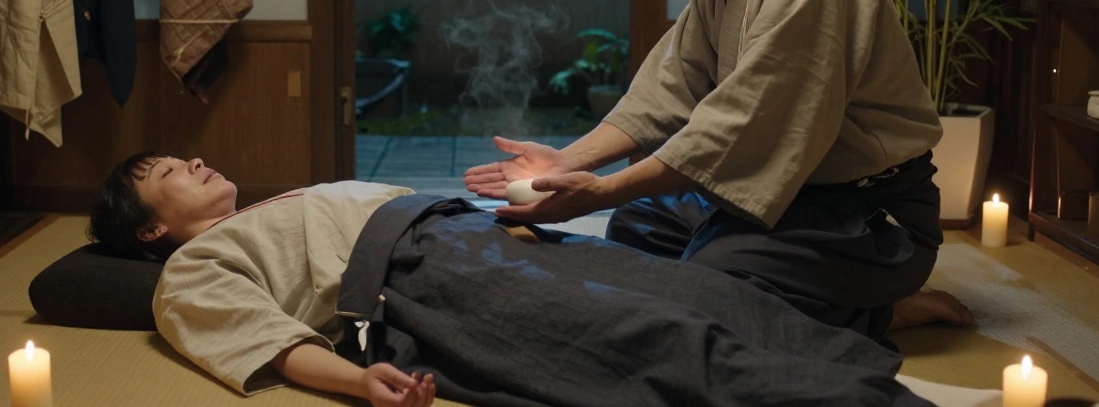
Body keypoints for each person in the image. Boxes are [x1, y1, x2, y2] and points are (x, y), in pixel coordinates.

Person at [464, 0, 974, 340]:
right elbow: (669, 89)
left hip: (870, 216)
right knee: (639, 224)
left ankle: (883, 311)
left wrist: (607, 187)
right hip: (791, 200)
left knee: (710, 282)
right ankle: (762, 282)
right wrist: (564, 163)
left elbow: (740, 125)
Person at [90, 151, 936, 407]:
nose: (196, 158)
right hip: (414, 278)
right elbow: (265, 343)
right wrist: (359, 382)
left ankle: (863, 371)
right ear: (150, 228)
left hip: (469, 232)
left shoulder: (283, 194)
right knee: (650, 339)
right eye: (168, 168)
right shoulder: (190, 271)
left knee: (694, 291)